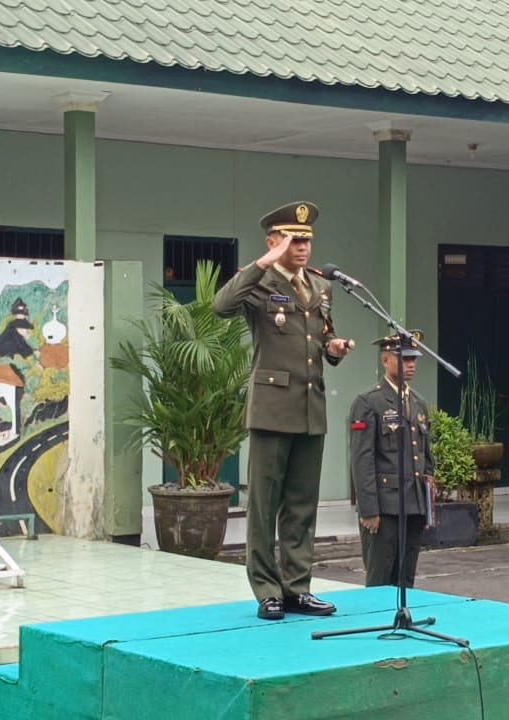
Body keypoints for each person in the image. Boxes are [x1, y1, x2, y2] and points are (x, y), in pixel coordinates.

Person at [213, 200, 353, 621]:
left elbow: (319, 338)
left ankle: (297, 588)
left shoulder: (320, 286)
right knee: (264, 505)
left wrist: (334, 348)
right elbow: (222, 306)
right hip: (272, 408)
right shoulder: (259, 281)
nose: (302, 247)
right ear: (273, 241)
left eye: (307, 240)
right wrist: (262, 263)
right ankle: (266, 590)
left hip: (310, 407)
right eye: (293, 240)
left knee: (302, 505)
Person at [349, 332, 434, 588]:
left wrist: (428, 502)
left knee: (406, 579)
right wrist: (369, 509)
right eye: (404, 359)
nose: (411, 364)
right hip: (385, 508)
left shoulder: (418, 402)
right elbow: (362, 459)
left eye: (413, 359)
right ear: (386, 360)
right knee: (380, 579)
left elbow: (426, 454)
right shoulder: (368, 402)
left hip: (413, 505)